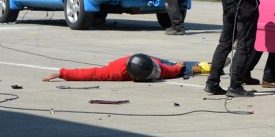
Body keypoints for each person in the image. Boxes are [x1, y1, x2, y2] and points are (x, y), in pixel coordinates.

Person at [40, 53, 216, 82]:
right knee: (176, 69)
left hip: (149, 59)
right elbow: (89, 74)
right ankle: (208, 66)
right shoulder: (116, 72)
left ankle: (207, 65)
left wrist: (178, 67)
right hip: (140, 63)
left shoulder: (157, 66)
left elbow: (169, 69)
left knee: (176, 66)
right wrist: (61, 74)